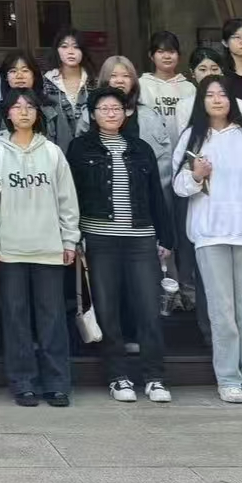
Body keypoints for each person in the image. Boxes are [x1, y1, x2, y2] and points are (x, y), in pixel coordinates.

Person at [175, 74, 242, 404]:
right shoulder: (193, 136)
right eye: (210, 95)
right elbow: (179, 186)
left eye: (222, 94)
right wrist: (196, 176)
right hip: (210, 233)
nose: (217, 100)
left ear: (232, 100)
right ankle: (229, 378)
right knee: (222, 313)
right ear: (201, 101)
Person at [68, 88, 174, 403]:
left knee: (148, 309)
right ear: (93, 114)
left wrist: (166, 237)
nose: (111, 113)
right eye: (104, 108)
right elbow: (72, 195)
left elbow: (155, 195)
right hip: (99, 238)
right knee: (107, 309)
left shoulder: (141, 148)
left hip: (140, 238)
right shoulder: (80, 148)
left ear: (126, 112)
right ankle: (118, 377)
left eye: (116, 108)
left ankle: (155, 377)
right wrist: (74, 235)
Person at [0, 88, 79, 408]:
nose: (23, 111)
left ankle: (57, 383)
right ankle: (23, 382)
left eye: (29, 106)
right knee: (16, 318)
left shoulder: (52, 152)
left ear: (38, 113)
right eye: (17, 106)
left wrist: (69, 239)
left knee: (52, 318)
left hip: (49, 247)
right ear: (7, 114)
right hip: (9, 249)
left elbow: (67, 200)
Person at [138, 32, 197, 307]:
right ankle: (166, 290)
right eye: (160, 51)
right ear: (151, 56)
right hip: (156, 167)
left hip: (185, 167)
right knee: (162, 230)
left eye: (171, 51)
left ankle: (189, 290)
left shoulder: (190, 88)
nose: (166, 56)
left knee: (185, 230)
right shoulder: (142, 85)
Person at [42, 30, 92, 150]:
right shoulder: (46, 82)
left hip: (90, 150)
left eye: (76, 47)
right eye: (64, 46)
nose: (70, 51)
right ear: (57, 50)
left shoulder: (93, 82)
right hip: (57, 148)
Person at [96, 56, 140, 136]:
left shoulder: (149, 115)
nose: (120, 81)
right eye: (113, 75)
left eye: (126, 76)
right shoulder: (88, 114)